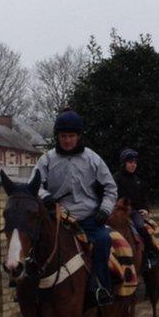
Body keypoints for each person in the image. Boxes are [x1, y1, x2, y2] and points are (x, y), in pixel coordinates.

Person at [33, 110, 118, 305]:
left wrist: (104, 210)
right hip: (58, 218)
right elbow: (34, 184)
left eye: (71, 136)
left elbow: (110, 188)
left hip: (89, 219)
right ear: (57, 137)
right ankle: (28, 289)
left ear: (79, 136)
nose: (67, 140)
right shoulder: (46, 160)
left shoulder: (93, 159)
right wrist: (46, 198)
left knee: (104, 240)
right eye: (63, 136)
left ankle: (100, 287)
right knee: (33, 243)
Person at [112, 148, 159, 268]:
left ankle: (150, 254)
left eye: (135, 162)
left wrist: (146, 210)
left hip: (134, 213)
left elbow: (143, 199)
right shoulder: (115, 178)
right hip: (118, 211)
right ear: (124, 163)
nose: (133, 165)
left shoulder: (138, 180)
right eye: (130, 162)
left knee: (141, 227)